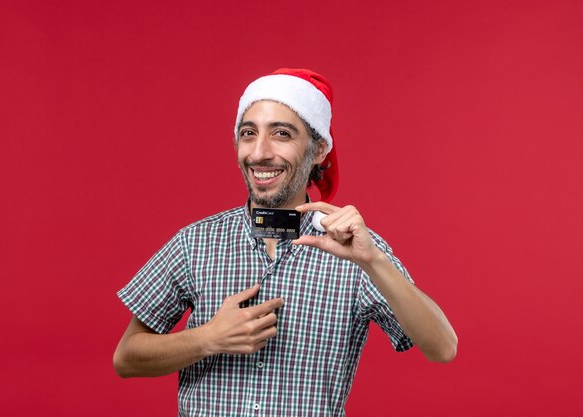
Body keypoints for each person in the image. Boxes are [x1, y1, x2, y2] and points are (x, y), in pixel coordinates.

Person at [113, 68, 457, 416]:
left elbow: (442, 348)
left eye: (281, 134)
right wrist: (208, 338)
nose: (260, 152)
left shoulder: (357, 249)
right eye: (249, 134)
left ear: (319, 148)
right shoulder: (195, 243)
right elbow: (126, 358)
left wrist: (374, 262)